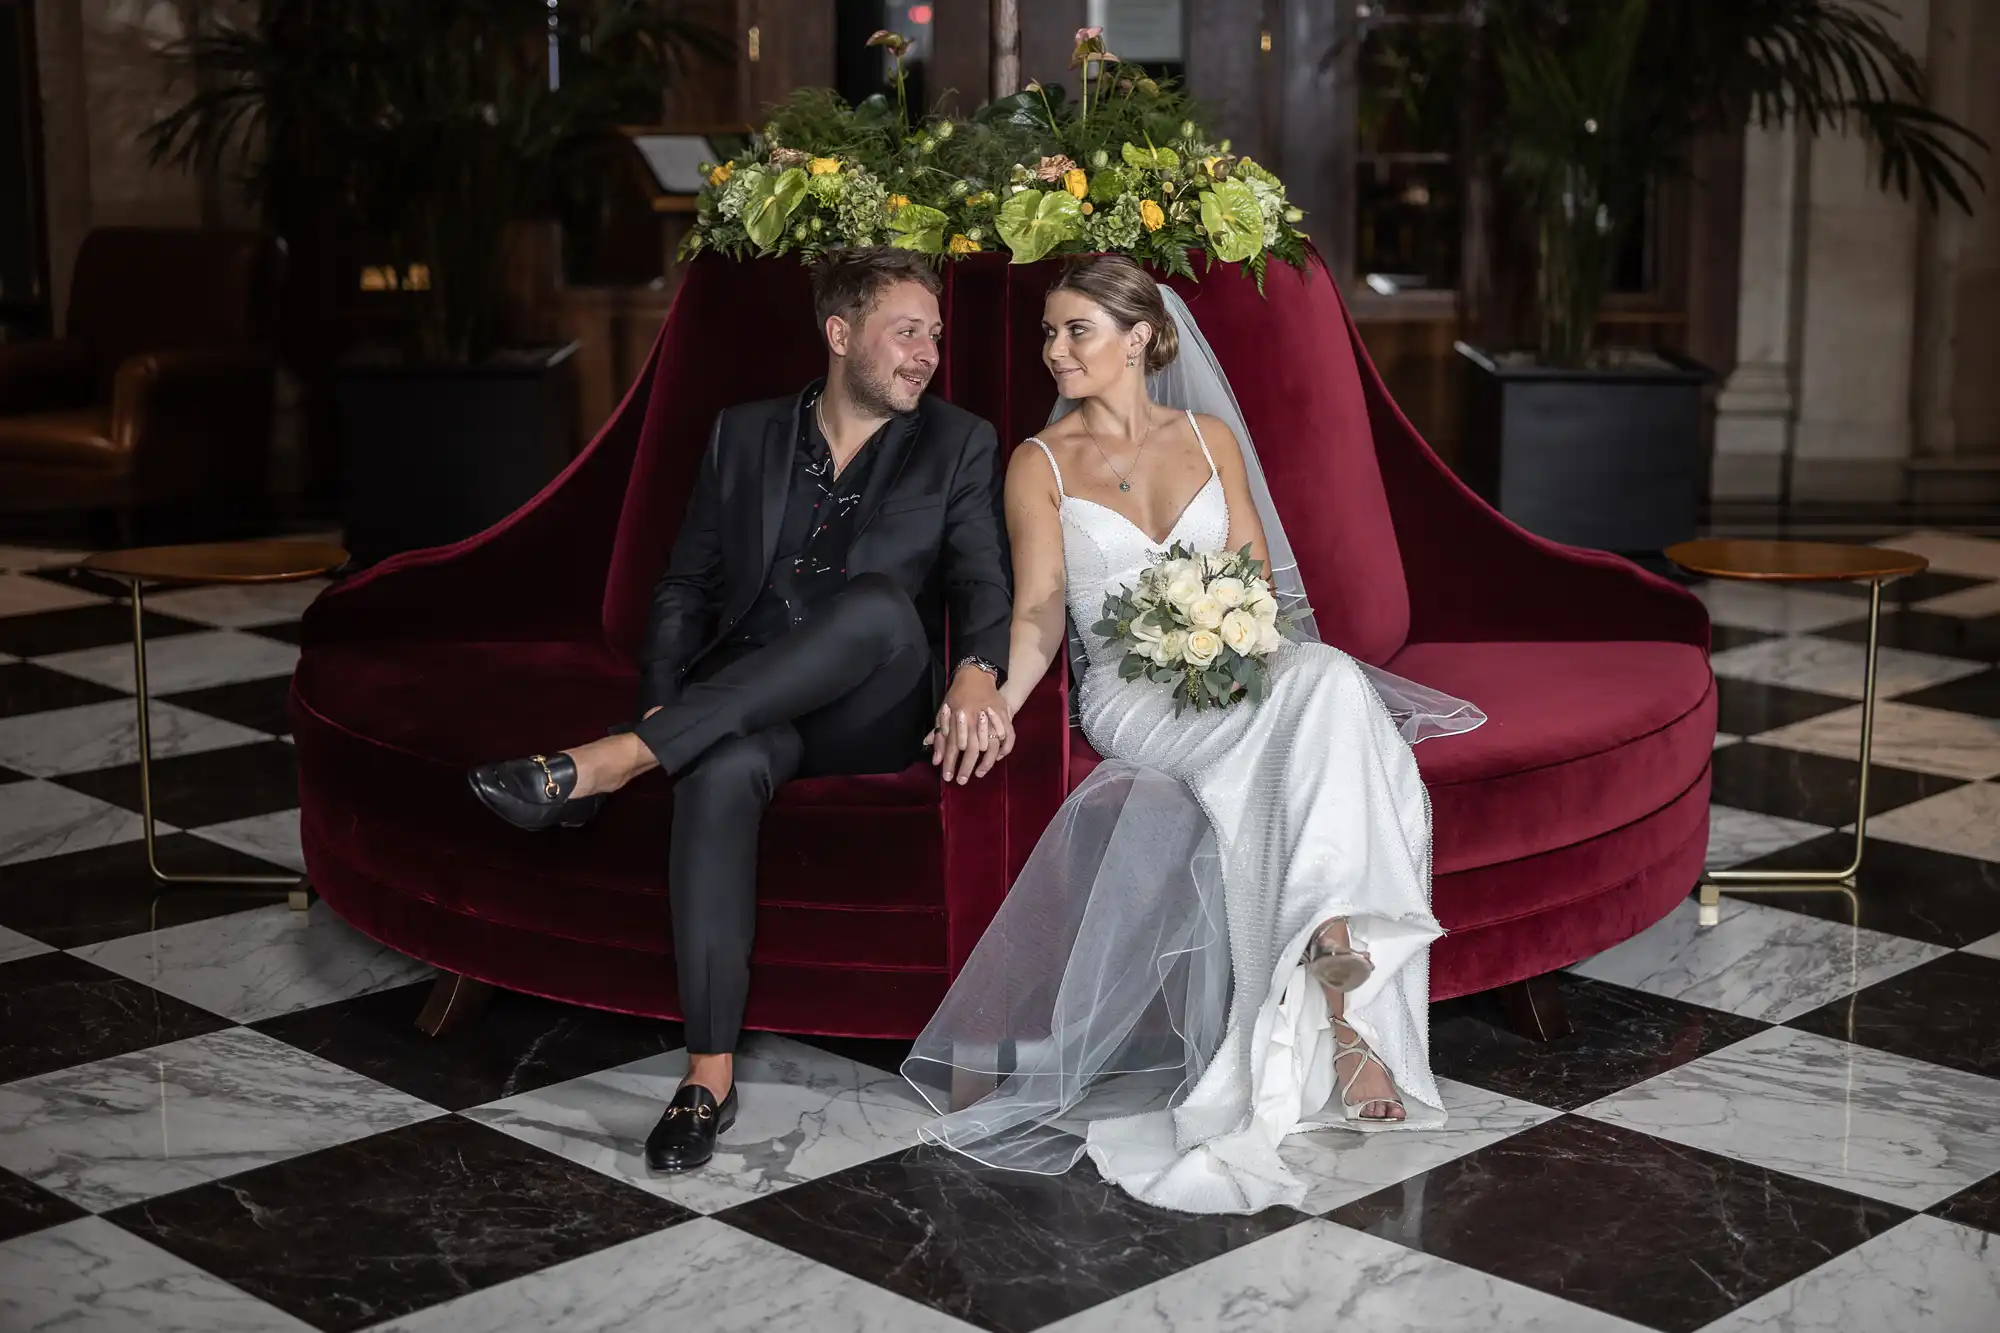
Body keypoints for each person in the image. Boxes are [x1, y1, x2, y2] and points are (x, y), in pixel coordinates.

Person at [903, 255, 1486, 1215]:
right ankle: (1345, 1023)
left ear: (1139, 339)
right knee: (1327, 715)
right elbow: (1043, 611)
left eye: (1075, 331)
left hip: (1239, 673)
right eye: (1047, 333)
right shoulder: (1038, 463)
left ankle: (1336, 1002)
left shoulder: (1211, 438)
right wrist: (1000, 697)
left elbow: (1262, 593)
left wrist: (1233, 637)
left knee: (1329, 677)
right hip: (1138, 698)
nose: (1053, 350)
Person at [467, 248, 1015, 1173]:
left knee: (881, 604)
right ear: (840, 335)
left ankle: (616, 760)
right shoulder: (744, 434)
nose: (927, 353)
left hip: (871, 705)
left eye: (934, 333)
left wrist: (977, 670)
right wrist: (666, 701)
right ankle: (706, 1076)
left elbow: (984, 583)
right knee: (718, 767)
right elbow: (683, 587)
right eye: (906, 331)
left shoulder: (958, 441)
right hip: (750, 704)